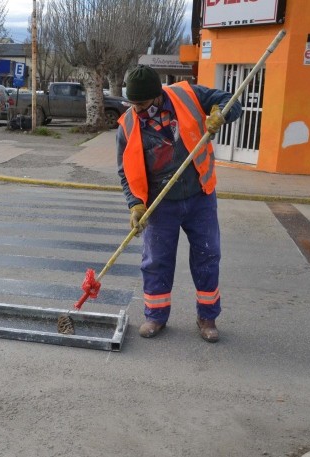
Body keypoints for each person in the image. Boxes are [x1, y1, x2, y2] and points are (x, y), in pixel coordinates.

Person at [116, 64, 242, 343]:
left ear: (157, 95)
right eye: (132, 104)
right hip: (160, 205)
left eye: (142, 103)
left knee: (208, 256)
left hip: (200, 196)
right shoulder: (127, 126)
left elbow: (232, 101)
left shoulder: (188, 95)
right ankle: (155, 315)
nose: (136, 109)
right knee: (156, 261)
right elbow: (125, 171)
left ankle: (207, 316)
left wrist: (221, 114)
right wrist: (135, 204)